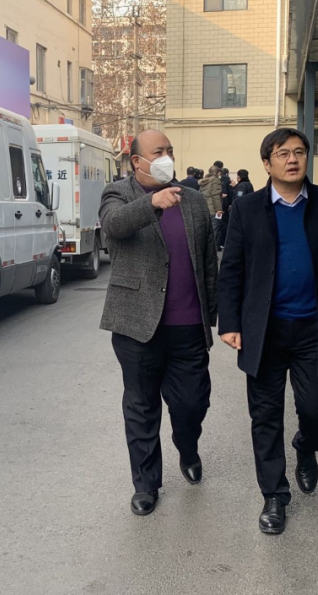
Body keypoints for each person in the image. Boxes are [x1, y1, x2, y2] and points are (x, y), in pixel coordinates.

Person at [217, 129, 318, 536]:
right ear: (267, 164)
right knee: (265, 415)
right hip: (263, 330)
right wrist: (229, 322)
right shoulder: (246, 208)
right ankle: (274, 496)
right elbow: (231, 270)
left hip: (314, 327)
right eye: (282, 153)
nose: (292, 159)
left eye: (299, 152)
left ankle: (306, 446)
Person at [99, 130, 219, 517]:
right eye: (158, 152)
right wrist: (151, 203)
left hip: (188, 326)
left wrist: (214, 315)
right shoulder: (118, 194)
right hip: (136, 324)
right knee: (141, 406)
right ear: (137, 161)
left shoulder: (193, 199)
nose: (167, 157)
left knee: (192, 403)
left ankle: (188, 447)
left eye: (170, 150)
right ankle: (146, 484)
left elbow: (208, 261)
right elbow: (114, 225)